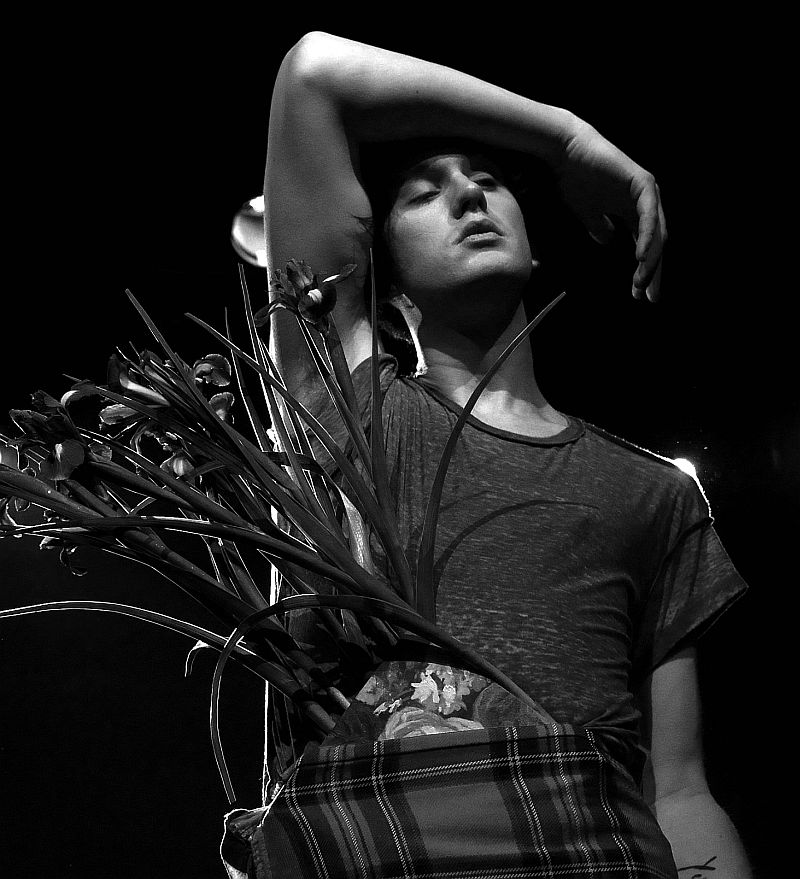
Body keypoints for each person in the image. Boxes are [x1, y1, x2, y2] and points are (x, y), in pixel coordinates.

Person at [227, 31, 752, 878]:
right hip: (394, 850)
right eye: (424, 194)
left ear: (535, 245)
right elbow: (315, 73)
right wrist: (563, 137)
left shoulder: (656, 493)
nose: (468, 195)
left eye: (491, 181)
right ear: (384, 272)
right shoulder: (353, 411)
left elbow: (682, 790)